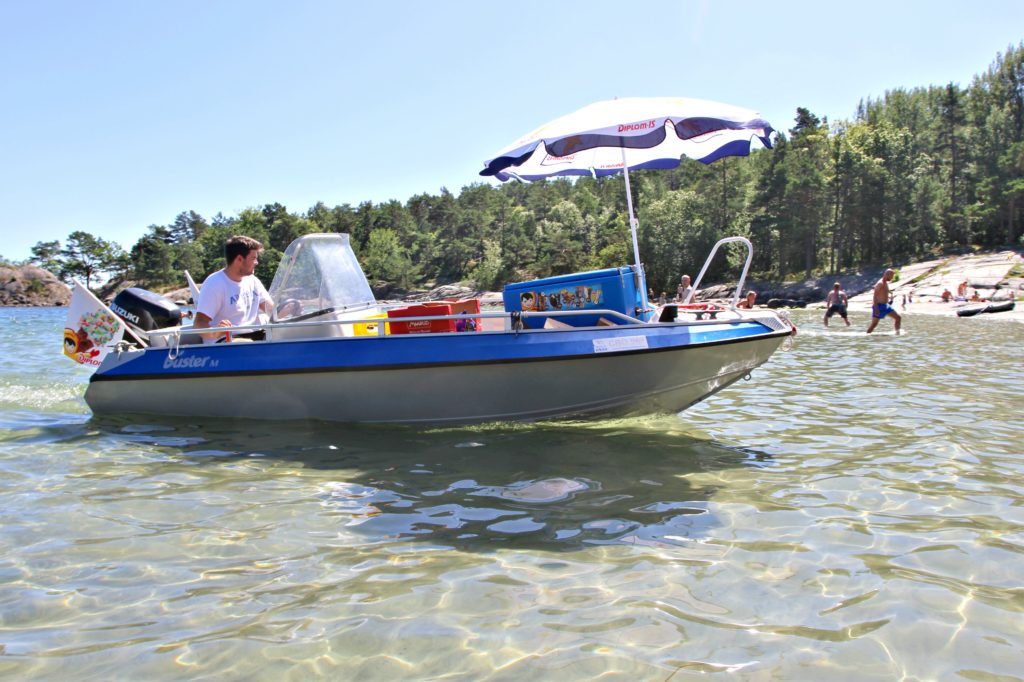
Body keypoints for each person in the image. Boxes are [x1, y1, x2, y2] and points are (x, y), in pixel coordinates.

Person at [194, 235, 274, 343]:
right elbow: (199, 323)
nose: (257, 262)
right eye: (253, 258)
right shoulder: (215, 283)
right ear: (239, 259)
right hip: (225, 341)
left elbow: (272, 311)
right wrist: (216, 331)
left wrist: (290, 309)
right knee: (248, 344)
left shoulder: (253, 281)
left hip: (254, 336)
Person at [866, 269, 901, 334]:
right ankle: (867, 335)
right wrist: (876, 308)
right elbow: (875, 296)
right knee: (874, 325)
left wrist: (889, 294)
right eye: (891, 276)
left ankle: (897, 333)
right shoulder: (880, 283)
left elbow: (883, 292)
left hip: (886, 306)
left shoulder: (885, 283)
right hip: (879, 306)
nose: (892, 278)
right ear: (887, 275)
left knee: (898, 318)